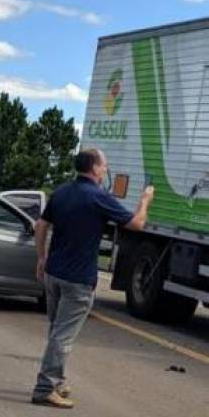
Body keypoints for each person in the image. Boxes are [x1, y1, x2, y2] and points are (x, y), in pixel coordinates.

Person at [31, 149, 154, 409]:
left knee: (56, 331)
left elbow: (40, 225)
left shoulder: (62, 191)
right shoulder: (98, 197)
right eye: (105, 166)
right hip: (78, 280)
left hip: (53, 274)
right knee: (62, 336)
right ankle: (45, 388)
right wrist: (145, 200)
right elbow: (137, 224)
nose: (106, 170)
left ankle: (59, 382)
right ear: (95, 168)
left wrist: (41, 258)